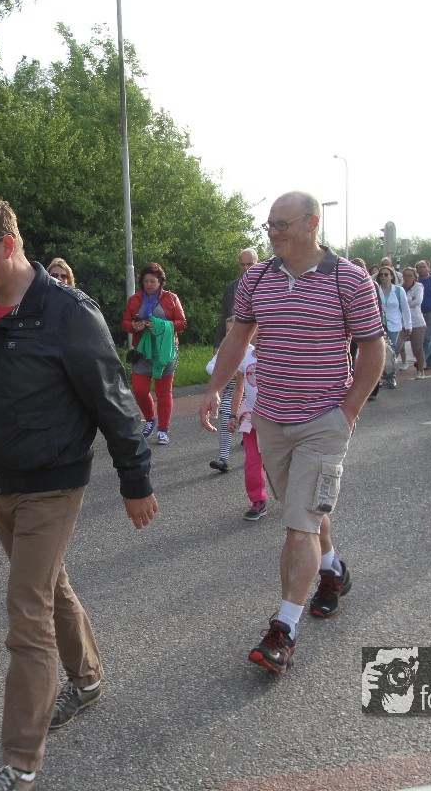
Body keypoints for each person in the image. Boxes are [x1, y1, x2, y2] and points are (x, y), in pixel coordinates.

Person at [0, 197, 157, 791]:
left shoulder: (68, 313)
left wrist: (135, 480)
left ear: (7, 244)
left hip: (53, 483)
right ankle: (89, 677)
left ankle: (20, 761)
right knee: (50, 584)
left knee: (27, 611)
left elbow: (113, 400)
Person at [199, 191, 383, 675]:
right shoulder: (257, 278)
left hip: (323, 421)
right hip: (271, 419)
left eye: (282, 224)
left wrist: (348, 411)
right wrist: (216, 388)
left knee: (298, 526)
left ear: (311, 223)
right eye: (270, 224)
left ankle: (283, 630)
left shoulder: (349, 278)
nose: (273, 232)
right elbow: (239, 336)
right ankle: (333, 571)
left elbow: (372, 349)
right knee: (305, 510)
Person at [122, 261, 188, 445]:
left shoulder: (171, 298)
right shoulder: (135, 299)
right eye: (146, 281)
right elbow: (125, 322)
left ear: (160, 282)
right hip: (142, 350)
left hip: (165, 350)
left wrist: (159, 325)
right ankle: (150, 419)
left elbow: (182, 322)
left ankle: (163, 429)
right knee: (139, 390)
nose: (149, 284)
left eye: (152, 281)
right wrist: (133, 326)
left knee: (163, 391)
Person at [225, 330, 268, 521]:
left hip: (276, 417)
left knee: (284, 461)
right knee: (252, 460)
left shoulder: (278, 356)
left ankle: (294, 496)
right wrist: (233, 415)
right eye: (258, 330)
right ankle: (258, 500)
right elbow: (239, 387)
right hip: (250, 417)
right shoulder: (245, 357)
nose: (261, 334)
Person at [204, 319, 239, 474]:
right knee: (225, 421)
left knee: (255, 428)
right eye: (228, 331)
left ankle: (260, 458)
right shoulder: (224, 351)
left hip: (250, 396)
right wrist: (226, 373)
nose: (230, 334)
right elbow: (209, 366)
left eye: (234, 330)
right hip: (231, 392)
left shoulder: (251, 349)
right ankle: (223, 459)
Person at [373, 267, 410, 389]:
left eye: (386, 274)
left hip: (394, 324)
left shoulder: (398, 290)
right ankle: (379, 376)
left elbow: (405, 309)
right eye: (381, 275)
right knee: (379, 351)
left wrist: (408, 325)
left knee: (391, 350)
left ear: (392, 276)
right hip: (379, 324)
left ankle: (390, 376)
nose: (383, 277)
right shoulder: (375, 289)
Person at [215, 248, 259, 345]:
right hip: (235, 339)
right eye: (242, 264)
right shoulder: (230, 288)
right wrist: (218, 344)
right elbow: (224, 317)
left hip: (259, 341)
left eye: (249, 264)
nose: (246, 268)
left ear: (257, 262)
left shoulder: (266, 287)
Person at [401, 266, 427, 379]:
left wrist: (404, 303)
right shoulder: (399, 288)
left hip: (417, 322)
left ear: (414, 277)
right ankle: (389, 374)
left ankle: (421, 370)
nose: (407, 278)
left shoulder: (418, 287)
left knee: (417, 348)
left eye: (410, 276)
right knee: (396, 347)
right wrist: (409, 300)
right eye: (405, 276)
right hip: (402, 322)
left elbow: (418, 301)